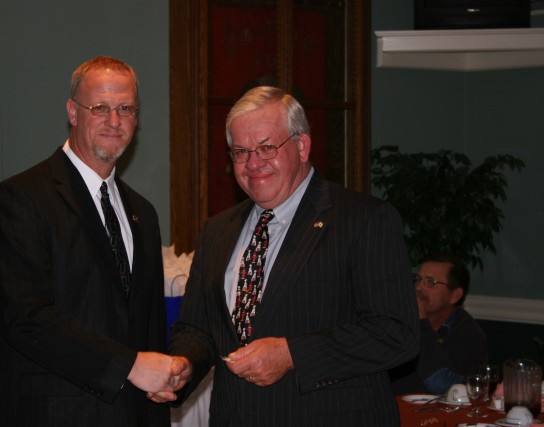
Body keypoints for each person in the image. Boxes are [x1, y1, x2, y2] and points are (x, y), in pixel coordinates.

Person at [150, 86, 420, 426]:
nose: (253, 164)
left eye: (266, 148)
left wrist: (292, 354)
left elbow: (397, 334)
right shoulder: (217, 231)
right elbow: (198, 328)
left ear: (302, 146)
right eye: (240, 152)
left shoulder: (363, 219)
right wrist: (184, 365)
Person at [0, 56, 189, 426]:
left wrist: (169, 373)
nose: (114, 120)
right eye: (100, 108)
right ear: (73, 112)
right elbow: (27, 320)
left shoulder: (143, 212)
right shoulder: (22, 198)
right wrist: (130, 366)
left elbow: (147, 325)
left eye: (126, 108)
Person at [390, 252, 488, 395]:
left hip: (440, 415)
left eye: (430, 282)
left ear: (454, 295)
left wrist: (422, 323)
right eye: (417, 279)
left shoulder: (469, 335)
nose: (418, 288)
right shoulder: (398, 322)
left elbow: (442, 386)